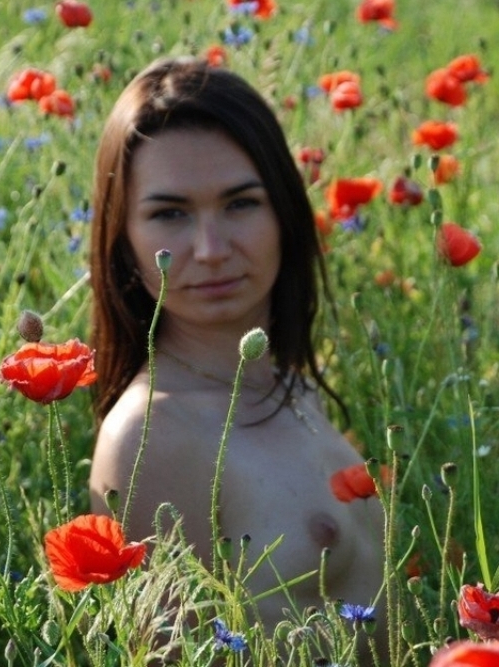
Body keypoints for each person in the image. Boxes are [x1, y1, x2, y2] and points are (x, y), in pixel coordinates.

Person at [89, 56, 385, 658]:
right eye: (170, 213)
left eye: (241, 203)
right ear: (124, 239)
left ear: (284, 212)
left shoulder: (288, 386)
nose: (211, 248)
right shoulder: (150, 435)